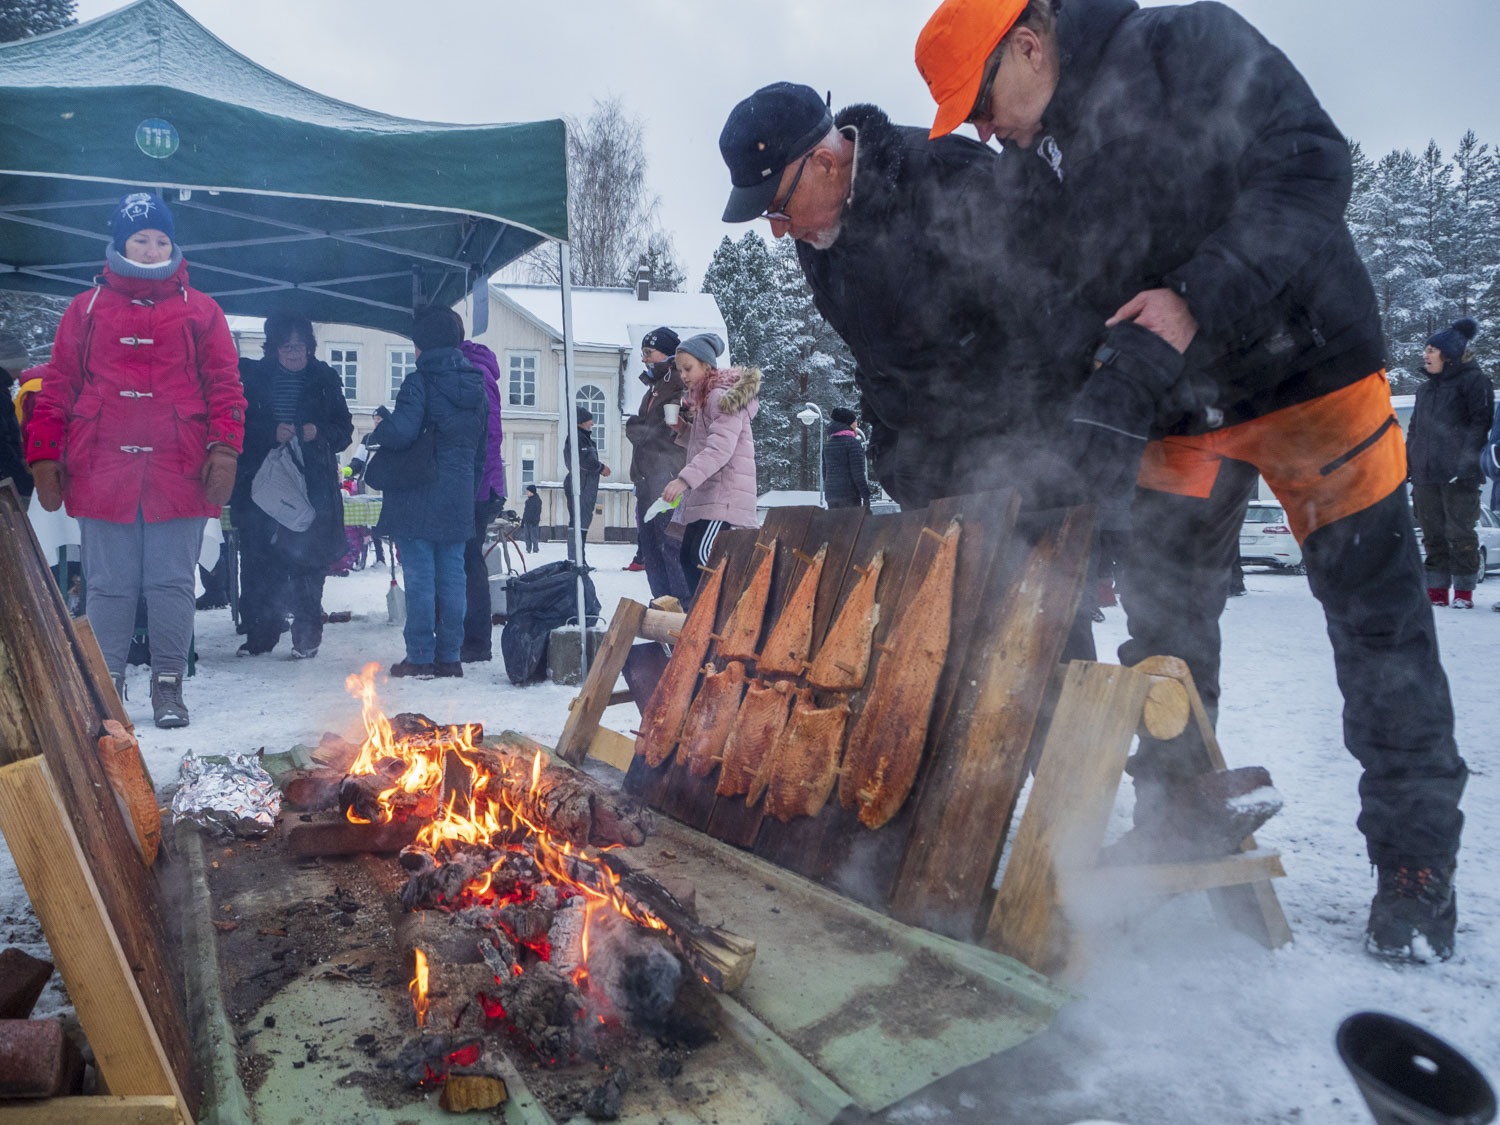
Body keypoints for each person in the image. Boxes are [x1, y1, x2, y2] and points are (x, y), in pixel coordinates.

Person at [916, 0, 1469, 961]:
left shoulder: (1185, 46)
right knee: (1164, 631)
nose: (984, 129)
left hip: (1311, 377)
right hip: (1179, 410)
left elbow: (1310, 165)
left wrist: (1193, 299)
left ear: (1029, 46)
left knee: (1378, 625)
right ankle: (1178, 813)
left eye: (980, 102)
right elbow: (1056, 314)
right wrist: (1066, 418)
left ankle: (1416, 862)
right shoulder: (1035, 166)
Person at [717, 82, 1089, 511]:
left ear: (824, 164)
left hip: (1030, 468)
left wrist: (1044, 464)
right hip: (928, 482)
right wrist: (892, 456)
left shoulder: (952, 179)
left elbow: (1055, 324)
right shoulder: (816, 241)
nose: (779, 230)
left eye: (779, 207)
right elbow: (871, 358)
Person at [25, 191, 244, 728]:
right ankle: (108, 690)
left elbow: (225, 385)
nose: (151, 249)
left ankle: (168, 686)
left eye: (160, 240)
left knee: (171, 583)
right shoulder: (85, 309)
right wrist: (45, 454)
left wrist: (224, 447)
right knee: (108, 585)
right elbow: (58, 386)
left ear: (173, 245)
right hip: (102, 468)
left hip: (180, 468)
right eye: (140, 239)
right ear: (120, 245)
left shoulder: (203, 310)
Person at [369, 306, 487, 679]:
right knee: (453, 575)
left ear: (421, 345)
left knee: (420, 575)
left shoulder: (419, 382)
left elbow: (402, 432)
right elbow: (480, 448)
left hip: (419, 492)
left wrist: (381, 426)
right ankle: (450, 656)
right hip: (458, 492)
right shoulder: (477, 387)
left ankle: (420, 655)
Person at [232, 312, 354, 658]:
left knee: (308, 560)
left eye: (300, 347)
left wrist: (320, 433)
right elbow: (238, 426)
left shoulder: (325, 378)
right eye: (286, 347)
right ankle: (261, 633)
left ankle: (306, 634)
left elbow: (344, 430)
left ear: (310, 347)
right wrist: (269, 433)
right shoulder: (254, 378)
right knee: (259, 557)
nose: (294, 353)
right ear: (273, 348)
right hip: (262, 483)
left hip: (312, 485)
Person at [660, 333, 759, 597]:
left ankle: (729, 607)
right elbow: (705, 442)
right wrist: (683, 430)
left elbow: (720, 449)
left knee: (704, 557)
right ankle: (703, 613)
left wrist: (683, 480)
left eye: (688, 368)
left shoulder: (721, 397)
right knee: (687, 556)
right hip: (708, 494)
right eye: (680, 370)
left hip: (725, 494)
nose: (683, 375)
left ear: (706, 366)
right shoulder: (705, 400)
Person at [1406, 319, 1492, 610]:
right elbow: (1414, 430)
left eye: (1432, 350)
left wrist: (1467, 465)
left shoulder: (1474, 382)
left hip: (1459, 476)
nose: (1426, 355)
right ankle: (1436, 592)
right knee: (1432, 536)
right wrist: (1408, 462)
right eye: (1426, 349)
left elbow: (1480, 426)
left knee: (1460, 535)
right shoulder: (1424, 390)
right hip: (1425, 475)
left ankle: (1463, 594)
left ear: (1450, 354)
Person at [625, 326, 691, 601]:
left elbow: (666, 430)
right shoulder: (653, 389)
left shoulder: (678, 384)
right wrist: (640, 427)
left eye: (648, 352)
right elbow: (644, 428)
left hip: (667, 481)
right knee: (651, 551)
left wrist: (640, 427)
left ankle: (682, 611)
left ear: (666, 354)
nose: (643, 359)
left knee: (670, 548)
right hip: (646, 482)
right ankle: (662, 608)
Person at [458, 337, 506, 662]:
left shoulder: (473, 372)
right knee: (467, 558)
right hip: (479, 482)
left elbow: (489, 435)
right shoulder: (477, 369)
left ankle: (476, 641)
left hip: (477, 485)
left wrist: (477, 483)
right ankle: (471, 638)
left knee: (469, 558)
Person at [563, 405, 610, 564]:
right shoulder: (577, 438)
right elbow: (583, 460)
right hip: (581, 485)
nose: (592, 423)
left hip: (585, 485)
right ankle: (576, 560)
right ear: (581, 421)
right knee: (578, 520)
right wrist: (600, 468)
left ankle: (578, 559)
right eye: (590, 420)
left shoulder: (583, 438)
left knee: (581, 520)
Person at [0, 334, 33, 499]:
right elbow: (2, 445)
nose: (20, 373)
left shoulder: (2, 390)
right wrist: (20, 480)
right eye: (18, 367)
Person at [821, 406, 871, 509]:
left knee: (835, 520)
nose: (856, 424)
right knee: (851, 520)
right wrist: (866, 495)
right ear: (849, 423)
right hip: (849, 496)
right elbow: (858, 473)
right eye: (855, 421)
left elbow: (825, 473)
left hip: (831, 496)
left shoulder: (828, 445)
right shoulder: (852, 443)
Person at [521, 484, 542, 553]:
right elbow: (525, 512)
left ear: (531, 492)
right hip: (527, 521)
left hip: (533, 523)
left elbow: (538, 511)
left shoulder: (537, 500)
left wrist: (535, 521)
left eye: (528, 491)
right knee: (527, 537)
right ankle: (528, 549)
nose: (526, 493)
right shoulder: (528, 501)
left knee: (534, 537)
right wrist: (523, 521)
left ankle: (535, 550)